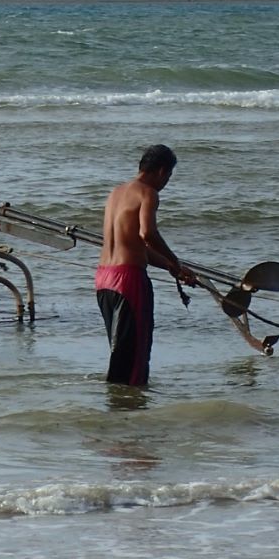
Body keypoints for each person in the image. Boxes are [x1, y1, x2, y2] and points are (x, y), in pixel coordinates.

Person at [95, 144, 197, 387]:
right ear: (162, 171)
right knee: (135, 359)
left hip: (104, 279)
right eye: (169, 177)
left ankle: (117, 410)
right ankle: (130, 414)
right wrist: (175, 260)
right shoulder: (148, 193)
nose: (166, 182)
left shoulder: (115, 193)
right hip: (129, 281)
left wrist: (173, 268)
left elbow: (134, 245)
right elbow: (147, 234)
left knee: (120, 352)